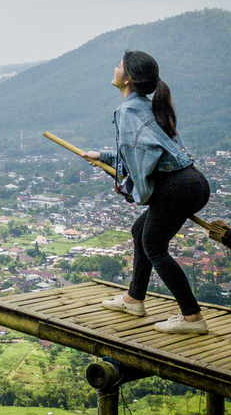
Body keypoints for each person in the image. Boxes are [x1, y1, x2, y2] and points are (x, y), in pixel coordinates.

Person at [81, 50, 212, 334]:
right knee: (141, 232)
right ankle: (134, 299)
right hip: (191, 181)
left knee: (154, 246)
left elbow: (138, 162)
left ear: (128, 78)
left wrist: (131, 191)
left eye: (118, 65)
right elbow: (143, 153)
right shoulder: (145, 105)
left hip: (175, 187)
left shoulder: (128, 110)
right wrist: (102, 156)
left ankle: (193, 318)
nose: (114, 68)